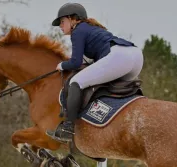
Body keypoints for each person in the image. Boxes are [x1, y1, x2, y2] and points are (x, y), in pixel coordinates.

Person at [45, 2, 144, 143]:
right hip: (136, 57)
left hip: (120, 57)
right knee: (109, 87)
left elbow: (75, 62)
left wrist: (61, 65)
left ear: (73, 19)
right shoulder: (90, 28)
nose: (60, 26)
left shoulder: (78, 31)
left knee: (75, 82)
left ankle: (68, 128)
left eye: (62, 21)